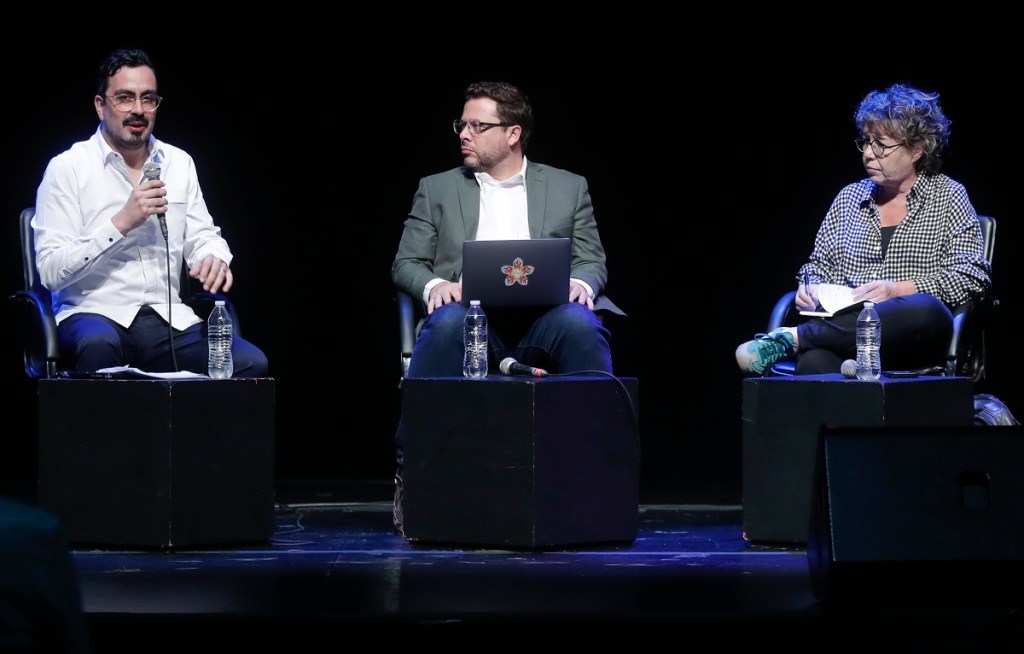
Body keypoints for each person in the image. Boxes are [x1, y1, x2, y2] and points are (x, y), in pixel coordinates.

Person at [390, 80, 624, 533]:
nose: (464, 134)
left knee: (581, 324)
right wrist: (436, 283)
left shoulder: (567, 187)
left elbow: (592, 260)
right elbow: (406, 263)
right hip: (471, 318)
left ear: (512, 133)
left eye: (478, 126)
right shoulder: (437, 189)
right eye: (462, 124)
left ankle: (597, 474)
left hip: (544, 320)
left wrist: (580, 282)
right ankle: (414, 475)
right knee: (446, 320)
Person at [32, 48, 268, 377]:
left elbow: (203, 236)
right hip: (94, 315)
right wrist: (122, 223)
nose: (138, 110)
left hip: (167, 321)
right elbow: (50, 271)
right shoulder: (68, 169)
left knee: (249, 363)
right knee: (99, 345)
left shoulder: (178, 163)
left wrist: (212, 256)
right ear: (101, 106)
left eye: (148, 98)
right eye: (125, 98)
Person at [735, 83, 991, 376]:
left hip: (911, 338)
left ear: (917, 149)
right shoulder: (848, 199)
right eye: (866, 142)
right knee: (815, 361)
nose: (868, 153)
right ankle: (835, 378)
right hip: (846, 339)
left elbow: (971, 275)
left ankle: (792, 338)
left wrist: (898, 289)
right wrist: (810, 287)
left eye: (880, 144)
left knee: (926, 310)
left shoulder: (949, 196)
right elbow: (819, 265)